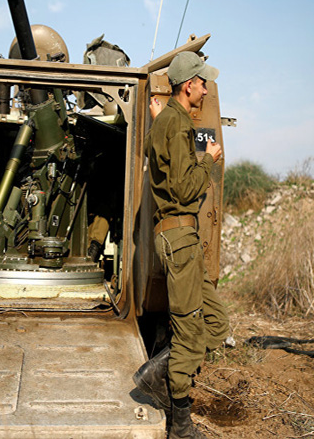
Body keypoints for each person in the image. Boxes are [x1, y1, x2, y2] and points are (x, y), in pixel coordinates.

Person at [133, 52, 229, 439]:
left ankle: (158, 373)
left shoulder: (166, 123)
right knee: (189, 336)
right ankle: (180, 425)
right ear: (188, 84)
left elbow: (149, 154)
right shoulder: (178, 125)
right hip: (180, 237)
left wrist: (162, 123)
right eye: (202, 82)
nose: (206, 88)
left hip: (178, 238)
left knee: (216, 324)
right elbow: (185, 188)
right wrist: (209, 160)